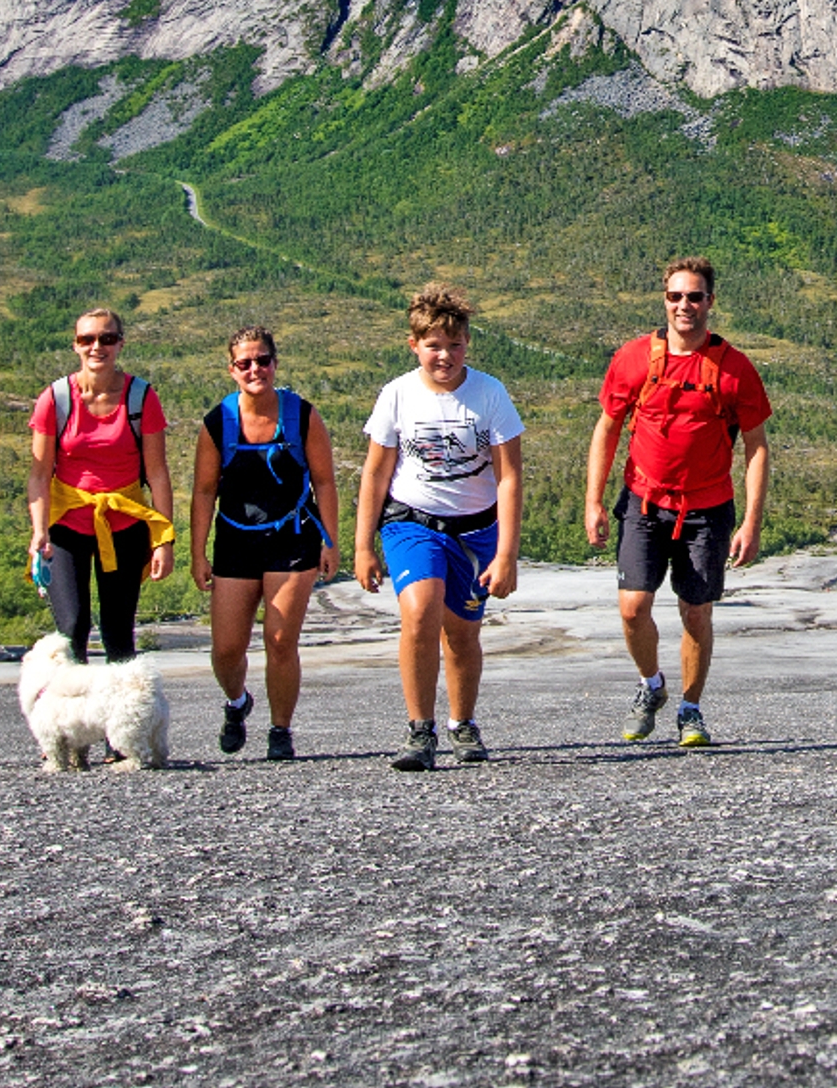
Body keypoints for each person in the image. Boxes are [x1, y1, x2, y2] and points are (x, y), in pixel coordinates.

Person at [583, 255, 772, 747]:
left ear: (711, 301)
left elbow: (757, 446)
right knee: (632, 608)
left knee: (696, 611)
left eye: (694, 296)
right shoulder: (632, 359)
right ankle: (652, 686)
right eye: (675, 296)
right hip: (644, 504)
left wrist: (751, 522)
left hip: (708, 512)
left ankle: (691, 709)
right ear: (663, 299)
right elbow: (607, 429)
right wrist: (595, 501)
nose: (684, 306)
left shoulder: (734, 369)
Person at [356, 282, 525, 771]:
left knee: (462, 633)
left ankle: (462, 723)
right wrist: (363, 546)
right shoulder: (397, 395)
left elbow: (509, 477)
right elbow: (375, 472)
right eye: (433, 346)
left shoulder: (489, 394)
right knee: (421, 613)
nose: (444, 356)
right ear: (414, 346)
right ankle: (419, 730)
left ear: (467, 343)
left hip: (475, 531)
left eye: (454, 345)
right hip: (412, 521)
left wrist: (506, 554)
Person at [188, 324, 338, 761]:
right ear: (232, 370)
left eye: (263, 360)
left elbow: (326, 482)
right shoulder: (218, 422)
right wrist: (197, 552)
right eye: (245, 363)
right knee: (227, 649)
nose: (255, 369)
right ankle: (236, 703)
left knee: (279, 641)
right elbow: (202, 491)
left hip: (292, 540)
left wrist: (330, 542)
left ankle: (280, 730)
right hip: (235, 542)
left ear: (275, 363)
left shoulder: (302, 415)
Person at [28, 307, 172, 665]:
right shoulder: (56, 398)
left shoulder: (141, 398)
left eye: (107, 338)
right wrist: (38, 531)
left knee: (118, 633)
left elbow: (157, 474)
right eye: (87, 339)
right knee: (72, 628)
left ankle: (122, 716)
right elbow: (38, 474)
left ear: (120, 344)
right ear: (75, 345)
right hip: (66, 522)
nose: (97, 347)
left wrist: (163, 539)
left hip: (123, 522)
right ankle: (72, 715)